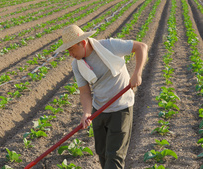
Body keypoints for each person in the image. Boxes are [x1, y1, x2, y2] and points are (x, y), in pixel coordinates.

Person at [54, 24, 148, 169]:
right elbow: (85, 91)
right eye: (68, 51)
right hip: (99, 110)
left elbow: (141, 47)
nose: (70, 54)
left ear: (83, 43)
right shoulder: (77, 65)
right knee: (102, 153)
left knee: (114, 156)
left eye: (71, 49)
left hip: (120, 108)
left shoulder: (109, 46)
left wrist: (137, 73)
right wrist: (86, 112)